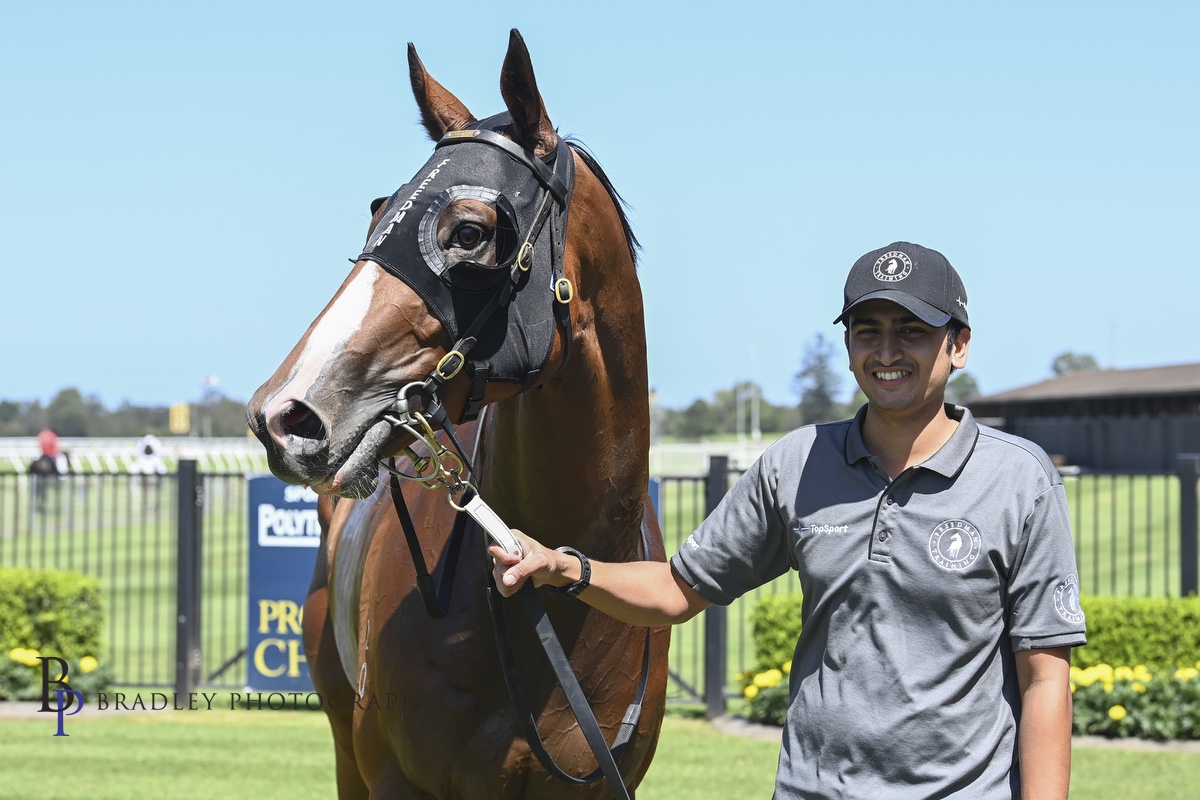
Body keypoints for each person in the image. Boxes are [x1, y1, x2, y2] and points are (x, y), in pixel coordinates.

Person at [491, 241, 1087, 799]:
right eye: (867, 331)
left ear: (958, 346)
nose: (886, 352)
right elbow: (676, 589)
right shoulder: (797, 465)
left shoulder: (1019, 479)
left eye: (912, 332)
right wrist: (564, 567)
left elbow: (1044, 683)